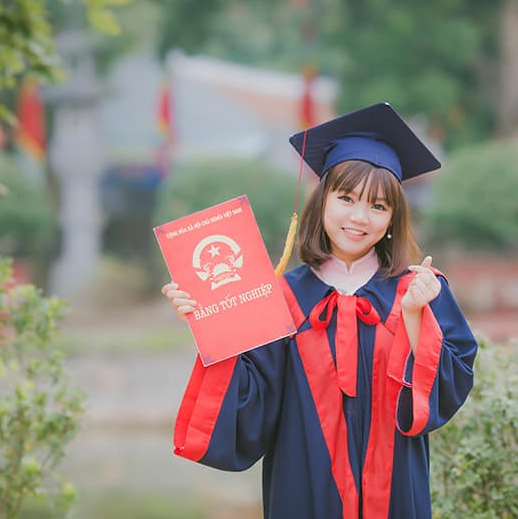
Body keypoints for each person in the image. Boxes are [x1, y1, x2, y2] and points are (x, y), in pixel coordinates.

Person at [162, 102, 477, 518]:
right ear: (322, 200)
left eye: (378, 206)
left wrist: (416, 315)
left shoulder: (418, 290)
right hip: (302, 489)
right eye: (346, 198)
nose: (359, 217)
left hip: (395, 491)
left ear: (393, 217)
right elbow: (251, 407)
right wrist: (211, 323)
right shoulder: (281, 298)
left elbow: (442, 394)